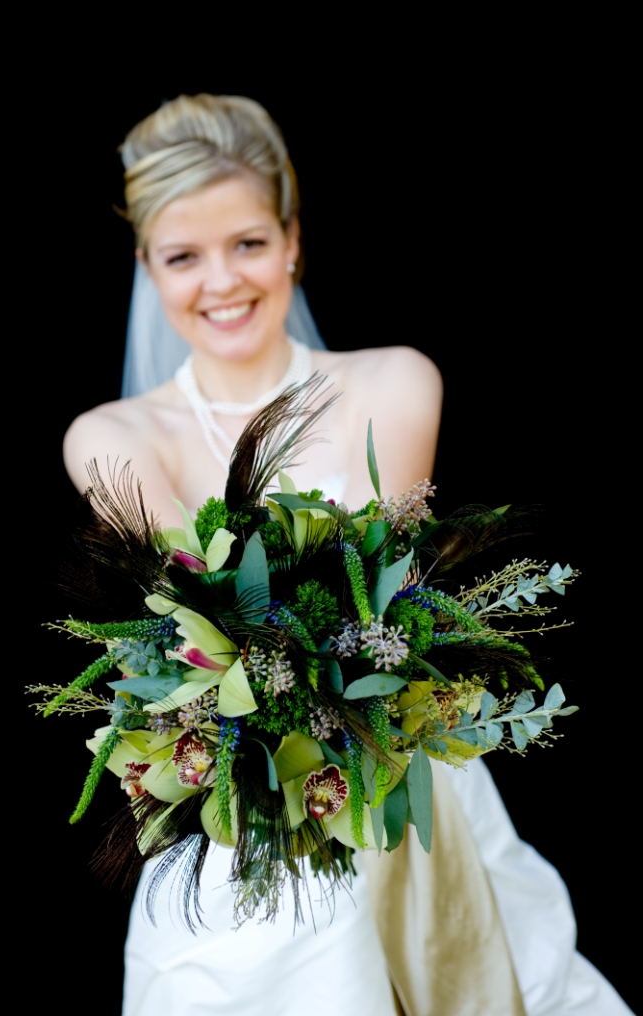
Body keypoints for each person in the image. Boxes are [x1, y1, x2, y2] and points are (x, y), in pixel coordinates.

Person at [64, 94, 630, 1016]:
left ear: (292, 240)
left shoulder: (395, 385)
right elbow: (207, 642)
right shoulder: (111, 439)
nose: (220, 282)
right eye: (183, 256)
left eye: (247, 243)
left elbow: (374, 617)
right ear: (146, 268)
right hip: (236, 823)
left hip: (395, 791)